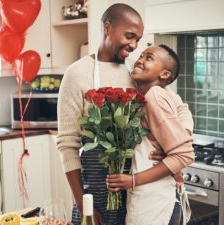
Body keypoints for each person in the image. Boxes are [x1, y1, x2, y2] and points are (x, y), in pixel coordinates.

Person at [57, 4, 193, 225]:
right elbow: (67, 145)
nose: (133, 46)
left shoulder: (136, 72)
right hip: (98, 189)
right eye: (129, 36)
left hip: (138, 189)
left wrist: (172, 143)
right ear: (108, 28)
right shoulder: (76, 74)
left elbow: (180, 108)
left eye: (138, 39)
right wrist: (83, 204)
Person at [106, 44, 195, 225]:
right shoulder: (146, 95)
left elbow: (185, 154)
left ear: (164, 75)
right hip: (152, 197)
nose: (139, 60)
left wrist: (132, 180)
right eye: (141, 55)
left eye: (149, 58)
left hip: (155, 201)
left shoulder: (155, 95)